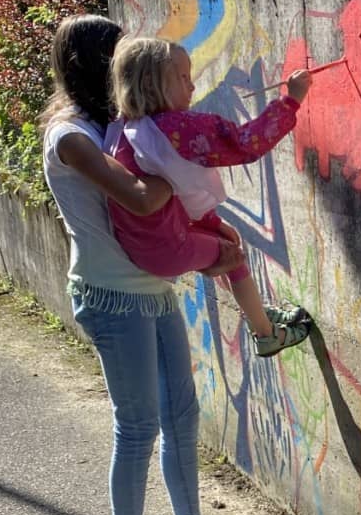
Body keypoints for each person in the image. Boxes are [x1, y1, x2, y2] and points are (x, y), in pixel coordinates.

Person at [41, 14, 256, 515]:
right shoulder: (72, 136)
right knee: (137, 427)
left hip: (151, 292)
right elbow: (140, 198)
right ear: (98, 63)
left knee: (181, 417)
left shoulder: (122, 129)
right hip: (111, 297)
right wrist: (168, 164)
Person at [106, 35, 313, 357]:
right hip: (167, 246)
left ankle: (257, 313)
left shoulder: (126, 128)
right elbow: (246, 143)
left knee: (223, 238)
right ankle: (266, 333)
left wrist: (212, 222)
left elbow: (174, 191)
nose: (192, 85)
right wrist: (292, 100)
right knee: (232, 254)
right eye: (183, 77)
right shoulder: (177, 127)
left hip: (144, 241)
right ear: (152, 83)